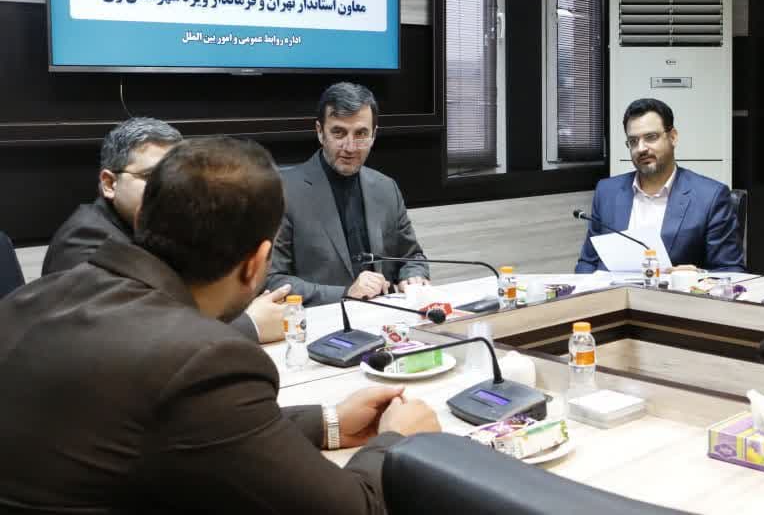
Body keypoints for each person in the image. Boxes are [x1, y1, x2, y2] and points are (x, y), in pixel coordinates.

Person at [0, 137, 441, 512]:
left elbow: (190, 427)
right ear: (257, 264)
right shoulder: (203, 361)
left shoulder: (33, 297)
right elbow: (356, 508)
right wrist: (396, 442)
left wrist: (329, 421)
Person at [41, 117, 288, 343]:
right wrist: (249, 325)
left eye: (176, 176)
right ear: (109, 183)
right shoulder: (84, 243)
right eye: (152, 175)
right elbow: (128, 339)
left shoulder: (169, 226)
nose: (171, 187)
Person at [268, 83, 429, 305]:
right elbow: (272, 280)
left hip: (387, 316)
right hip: (321, 320)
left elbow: (412, 257)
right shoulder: (283, 191)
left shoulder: (386, 188)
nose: (350, 147)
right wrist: (345, 293)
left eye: (361, 134)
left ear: (374, 135)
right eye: (339, 133)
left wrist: (413, 276)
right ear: (320, 132)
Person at [575, 98, 745, 273]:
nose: (641, 148)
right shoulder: (607, 192)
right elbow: (587, 263)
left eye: (651, 137)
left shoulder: (710, 196)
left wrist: (697, 277)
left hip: (678, 291)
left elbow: (731, 270)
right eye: (633, 141)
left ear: (673, 137)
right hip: (612, 290)